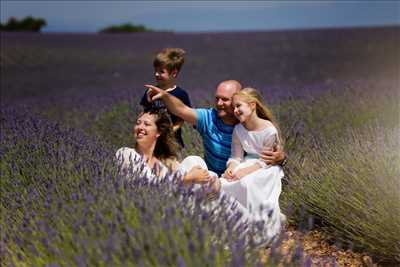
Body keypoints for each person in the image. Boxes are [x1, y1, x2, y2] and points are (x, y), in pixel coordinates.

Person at [144, 80, 285, 177]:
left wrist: (281, 158)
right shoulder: (208, 118)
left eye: (225, 99)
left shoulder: (246, 123)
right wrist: (165, 96)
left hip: (240, 177)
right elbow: (181, 109)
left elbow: (266, 152)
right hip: (210, 177)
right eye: (217, 98)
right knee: (191, 161)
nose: (219, 103)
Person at [219, 87, 285, 241]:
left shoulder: (269, 130)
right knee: (223, 183)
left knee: (247, 184)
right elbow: (236, 156)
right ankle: (234, 226)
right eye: (233, 107)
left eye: (238, 106)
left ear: (252, 105)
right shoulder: (238, 129)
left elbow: (267, 160)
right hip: (247, 163)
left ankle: (258, 228)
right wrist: (231, 168)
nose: (235, 110)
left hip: (266, 167)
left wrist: (244, 172)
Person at [115, 108, 215, 186]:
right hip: (147, 209)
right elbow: (148, 186)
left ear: (158, 132)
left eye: (146, 124)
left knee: (193, 161)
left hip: (175, 205)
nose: (140, 127)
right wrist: (187, 179)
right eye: (138, 123)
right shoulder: (125, 153)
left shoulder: (163, 164)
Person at [140, 48, 192, 148]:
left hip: (173, 141)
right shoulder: (151, 91)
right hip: (152, 139)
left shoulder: (180, 94)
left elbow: (182, 118)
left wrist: (171, 131)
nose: (156, 74)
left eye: (161, 72)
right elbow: (144, 112)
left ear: (174, 73)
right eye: (155, 71)